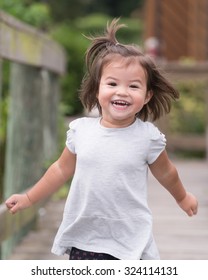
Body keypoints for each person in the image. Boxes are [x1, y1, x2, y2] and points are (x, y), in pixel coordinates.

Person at [5, 19, 198, 260]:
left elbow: (167, 173)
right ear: (97, 89)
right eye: (112, 83)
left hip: (128, 237)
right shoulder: (81, 131)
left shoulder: (147, 137)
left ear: (147, 96)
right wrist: (29, 197)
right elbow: (60, 170)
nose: (122, 91)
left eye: (134, 86)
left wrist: (182, 197)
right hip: (86, 234)